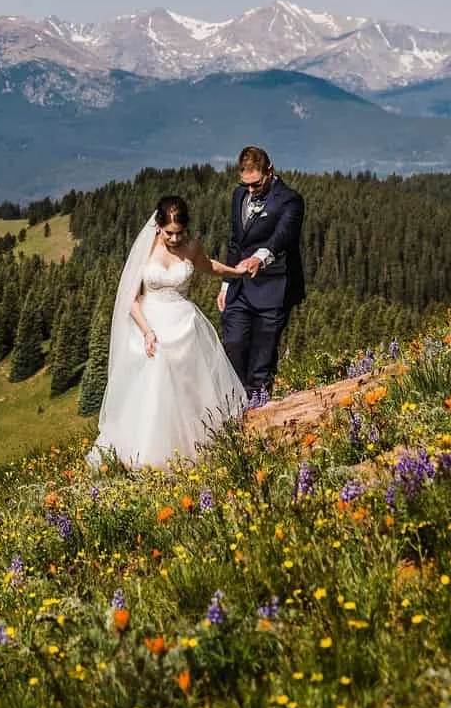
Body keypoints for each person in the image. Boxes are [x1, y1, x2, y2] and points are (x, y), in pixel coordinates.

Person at [89, 195, 250, 469]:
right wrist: (147, 332)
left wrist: (236, 272)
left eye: (179, 233)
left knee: (188, 390)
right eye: (169, 234)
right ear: (158, 227)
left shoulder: (190, 248)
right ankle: (144, 456)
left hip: (184, 324)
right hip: (150, 323)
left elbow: (208, 266)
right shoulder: (145, 250)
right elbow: (131, 298)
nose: (174, 239)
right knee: (151, 389)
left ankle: (193, 447)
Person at [217, 145, 304, 411]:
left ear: (270, 171)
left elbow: (283, 236)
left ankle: (257, 413)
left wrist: (259, 259)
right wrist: (226, 282)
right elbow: (235, 242)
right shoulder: (238, 195)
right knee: (232, 345)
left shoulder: (290, 200)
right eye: (246, 184)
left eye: (256, 184)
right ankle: (232, 408)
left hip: (274, 289)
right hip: (240, 288)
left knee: (262, 358)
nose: (251, 190)